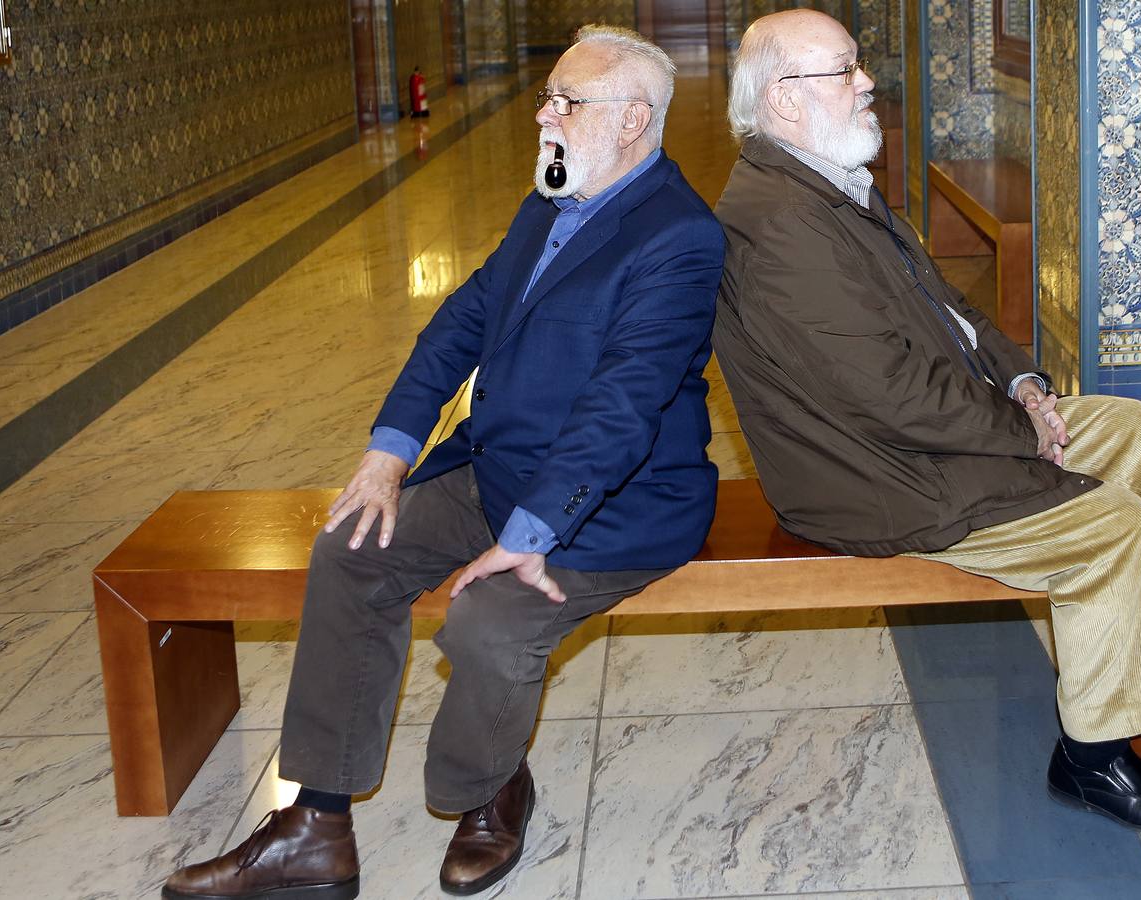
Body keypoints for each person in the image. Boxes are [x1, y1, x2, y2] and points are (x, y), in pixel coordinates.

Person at [711, 9, 1141, 834]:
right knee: (1112, 526)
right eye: (845, 70)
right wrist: (1021, 431)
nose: (867, 84)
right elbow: (888, 393)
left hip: (910, 440)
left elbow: (951, 312)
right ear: (784, 99)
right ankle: (1093, 758)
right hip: (870, 476)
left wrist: (1027, 384)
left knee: (1130, 427)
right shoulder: (782, 222)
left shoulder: (818, 178)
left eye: (858, 66)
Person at [162, 26, 724, 899]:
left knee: (488, 623)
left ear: (631, 121)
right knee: (351, 549)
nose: (544, 114)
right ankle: (316, 824)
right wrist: (389, 452)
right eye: (550, 96)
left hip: (613, 504)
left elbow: (625, 406)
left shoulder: (680, 238)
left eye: (566, 102)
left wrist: (534, 531)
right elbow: (462, 320)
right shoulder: (553, 195)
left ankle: (488, 790)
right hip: (496, 468)